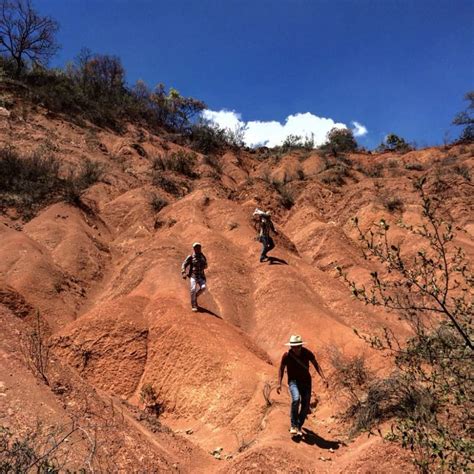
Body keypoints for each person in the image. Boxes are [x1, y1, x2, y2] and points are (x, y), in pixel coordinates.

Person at [277, 335, 328, 436]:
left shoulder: (306, 353)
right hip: (293, 381)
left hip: (306, 381)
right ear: (290, 346)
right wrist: (279, 383)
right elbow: (281, 368)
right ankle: (293, 425)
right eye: (293, 347)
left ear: (301, 345)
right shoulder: (287, 355)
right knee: (296, 399)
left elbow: (316, 364)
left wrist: (323, 377)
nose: (295, 349)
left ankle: (299, 426)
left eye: (297, 346)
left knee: (305, 404)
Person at [181, 242, 208, 312]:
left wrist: (203, 265)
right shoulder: (191, 256)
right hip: (193, 276)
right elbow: (184, 264)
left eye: (199, 247)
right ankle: (194, 305)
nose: (198, 249)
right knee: (193, 289)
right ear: (194, 248)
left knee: (203, 287)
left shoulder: (202, 256)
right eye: (196, 247)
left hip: (201, 276)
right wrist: (183, 272)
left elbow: (206, 265)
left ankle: (195, 296)